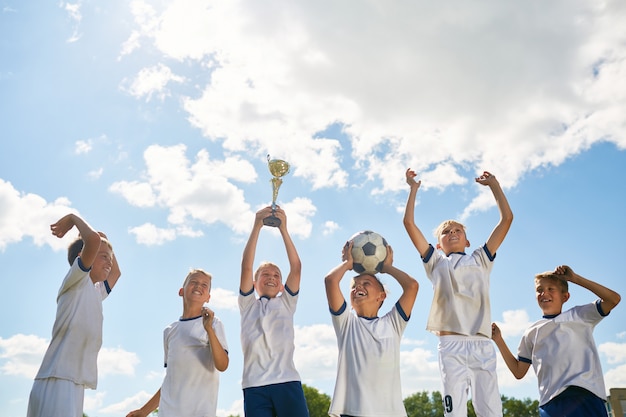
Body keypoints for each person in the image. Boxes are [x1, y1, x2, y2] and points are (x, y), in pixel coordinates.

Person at [403, 168, 513, 417]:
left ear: (467, 241)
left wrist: (494, 185)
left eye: (457, 231)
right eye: (446, 231)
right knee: (455, 412)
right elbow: (408, 224)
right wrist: (413, 190)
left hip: (481, 343)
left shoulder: (481, 259)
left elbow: (506, 219)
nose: (452, 232)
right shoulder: (436, 263)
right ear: (439, 244)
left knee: (491, 412)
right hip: (450, 345)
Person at [492, 265, 621, 417]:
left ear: (565, 296)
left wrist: (575, 279)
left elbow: (613, 299)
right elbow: (519, 371)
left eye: (550, 289)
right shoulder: (531, 333)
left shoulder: (580, 316)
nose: (544, 293)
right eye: (539, 290)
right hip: (551, 404)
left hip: (585, 396)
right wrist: (498, 340)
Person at [27, 213, 122, 417]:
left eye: (110, 257)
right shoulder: (78, 279)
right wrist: (72, 218)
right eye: (104, 256)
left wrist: (104, 241)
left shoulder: (96, 291)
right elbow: (93, 241)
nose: (109, 262)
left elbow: (116, 273)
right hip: (57, 379)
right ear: (83, 257)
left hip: (72, 381)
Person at [324, 240, 419, 417]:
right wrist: (347, 264)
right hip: (351, 412)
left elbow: (412, 286)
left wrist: (387, 267)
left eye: (366, 283)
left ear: (381, 296)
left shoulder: (393, 323)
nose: (358, 286)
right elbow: (330, 281)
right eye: (354, 285)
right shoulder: (346, 324)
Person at [126, 269, 229, 417]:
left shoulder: (213, 324)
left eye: (204, 285)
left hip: (200, 412)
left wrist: (209, 330)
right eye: (193, 282)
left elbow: (222, 365)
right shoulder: (169, 331)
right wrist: (144, 411)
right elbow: (171, 380)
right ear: (181, 291)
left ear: (208, 297)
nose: (199, 286)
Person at [239, 206, 309, 417]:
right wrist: (256, 226)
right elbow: (246, 266)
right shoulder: (248, 305)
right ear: (254, 283)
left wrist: (283, 230)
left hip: (287, 381)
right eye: (265, 274)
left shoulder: (286, 302)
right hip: (254, 385)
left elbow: (296, 267)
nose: (271, 277)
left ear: (281, 285)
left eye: (277, 275)